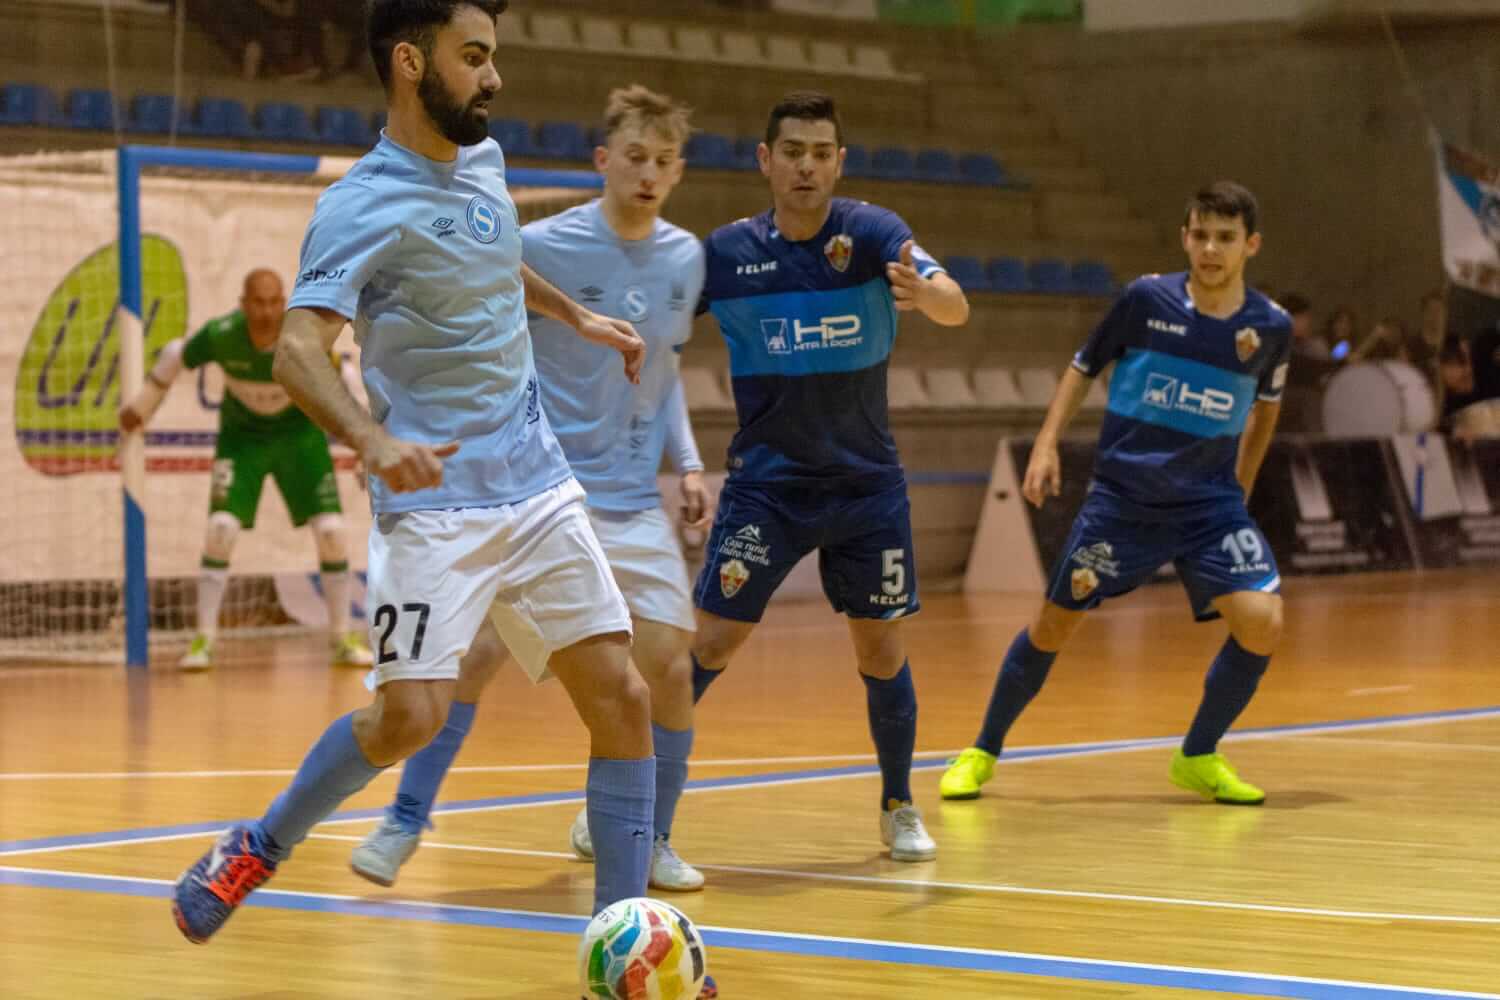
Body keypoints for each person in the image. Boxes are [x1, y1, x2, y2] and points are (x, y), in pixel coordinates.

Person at [170, 0, 657, 944]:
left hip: (537, 478)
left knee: (624, 699)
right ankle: (259, 844)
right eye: (474, 57)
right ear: (409, 63)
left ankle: (621, 947)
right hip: (434, 505)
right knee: (409, 720)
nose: (494, 78)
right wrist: (372, 439)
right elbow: (300, 353)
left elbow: (495, 254)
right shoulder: (360, 202)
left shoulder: (483, 159)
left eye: (492, 56)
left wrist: (578, 318)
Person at [347, 85, 717, 896]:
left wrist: (686, 462)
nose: (648, 174)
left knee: (670, 670)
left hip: (630, 500)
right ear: (603, 162)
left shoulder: (687, 258)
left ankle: (652, 839)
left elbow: (666, 366)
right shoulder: (543, 244)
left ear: (679, 171)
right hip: (539, 489)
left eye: (663, 162)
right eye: (635, 158)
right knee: (472, 660)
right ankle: (405, 818)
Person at [940, 181, 1290, 806]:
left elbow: (1268, 405)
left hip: (1209, 506)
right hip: (1123, 501)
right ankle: (982, 750)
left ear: (1251, 245)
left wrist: (1241, 485)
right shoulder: (1144, 300)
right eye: (1200, 234)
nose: (1210, 248)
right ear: (1186, 237)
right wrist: (1047, 443)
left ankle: (1199, 755)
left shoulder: (1268, 328)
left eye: (1226, 237)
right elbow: (1082, 366)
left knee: (1262, 621)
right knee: (1053, 626)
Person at [690, 91, 970, 862]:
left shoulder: (875, 233)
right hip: (768, 489)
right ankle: (628, 800)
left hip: (866, 490)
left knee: (881, 651)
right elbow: (657, 322)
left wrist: (933, 294)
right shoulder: (726, 254)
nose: (806, 165)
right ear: (765, 160)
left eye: (821, 152)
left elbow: (954, 305)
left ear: (839, 162)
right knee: (711, 642)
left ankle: (897, 804)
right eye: (792, 151)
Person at [119, 268, 373, 671]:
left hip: (298, 438)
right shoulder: (222, 335)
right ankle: (204, 639)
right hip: (243, 442)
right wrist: (142, 406)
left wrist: (365, 442)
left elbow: (342, 379)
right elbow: (173, 355)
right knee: (221, 530)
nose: (268, 311)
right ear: (244, 304)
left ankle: (342, 637)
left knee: (332, 533)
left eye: (275, 301)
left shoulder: (300, 336)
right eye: (259, 302)